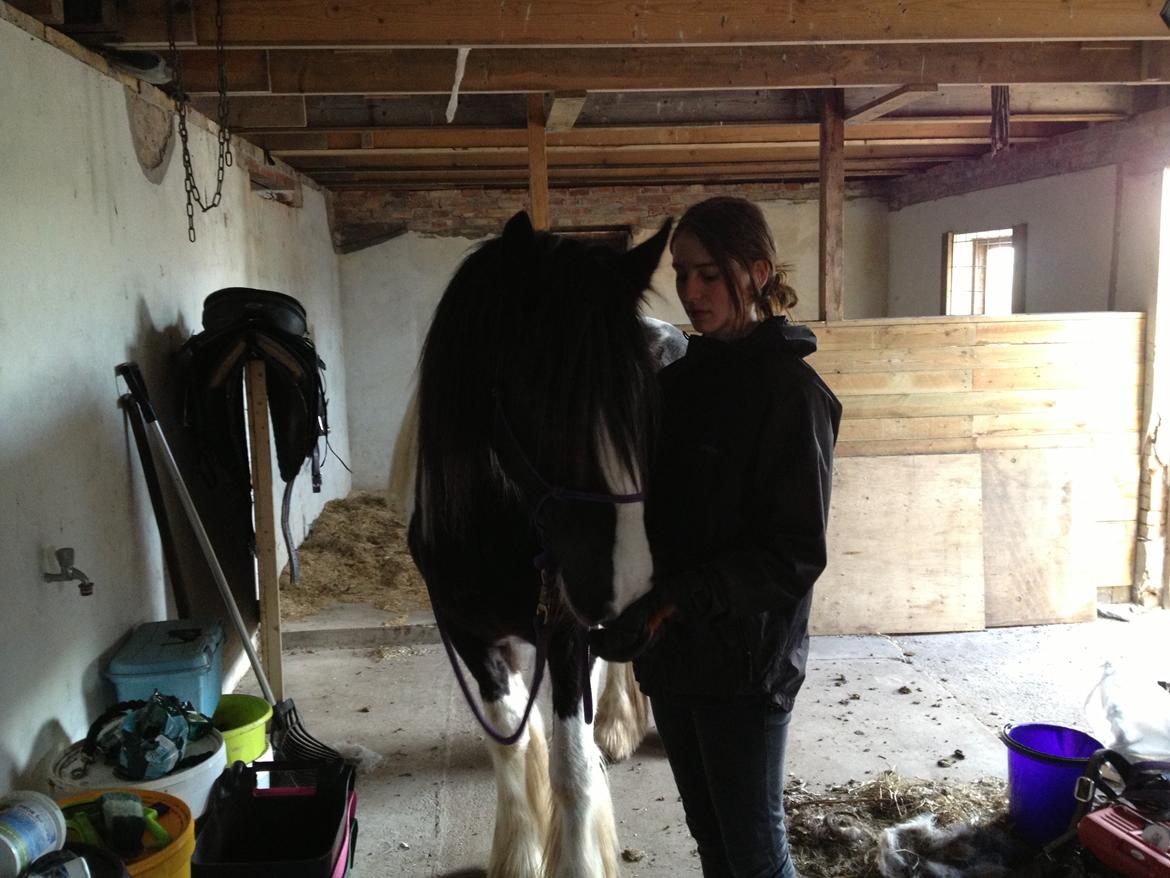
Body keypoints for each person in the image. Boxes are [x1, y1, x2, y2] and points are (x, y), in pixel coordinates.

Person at [592, 196, 842, 878]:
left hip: (746, 664)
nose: (691, 292)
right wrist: (621, 599)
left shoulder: (794, 398)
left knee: (756, 855)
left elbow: (793, 556)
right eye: (681, 273)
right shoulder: (675, 386)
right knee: (712, 843)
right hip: (673, 657)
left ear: (757, 272)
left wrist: (675, 597)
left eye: (709, 275)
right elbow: (648, 508)